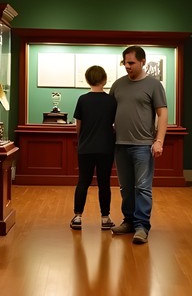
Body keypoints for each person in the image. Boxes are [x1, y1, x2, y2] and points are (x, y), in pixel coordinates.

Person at [110, 46, 167, 244]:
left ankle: (142, 226)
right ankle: (129, 221)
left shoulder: (154, 85)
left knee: (142, 187)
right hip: (120, 144)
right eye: (124, 63)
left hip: (143, 145)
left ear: (143, 61)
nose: (127, 66)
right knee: (125, 188)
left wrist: (159, 140)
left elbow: (162, 114)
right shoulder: (117, 85)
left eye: (131, 63)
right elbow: (109, 113)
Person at [71, 65, 117, 230]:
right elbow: (115, 124)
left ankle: (77, 217)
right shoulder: (111, 100)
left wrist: (83, 139)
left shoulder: (83, 99)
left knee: (83, 181)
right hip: (106, 148)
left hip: (86, 148)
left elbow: (78, 127)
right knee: (104, 183)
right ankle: (105, 218)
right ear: (105, 80)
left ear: (87, 80)